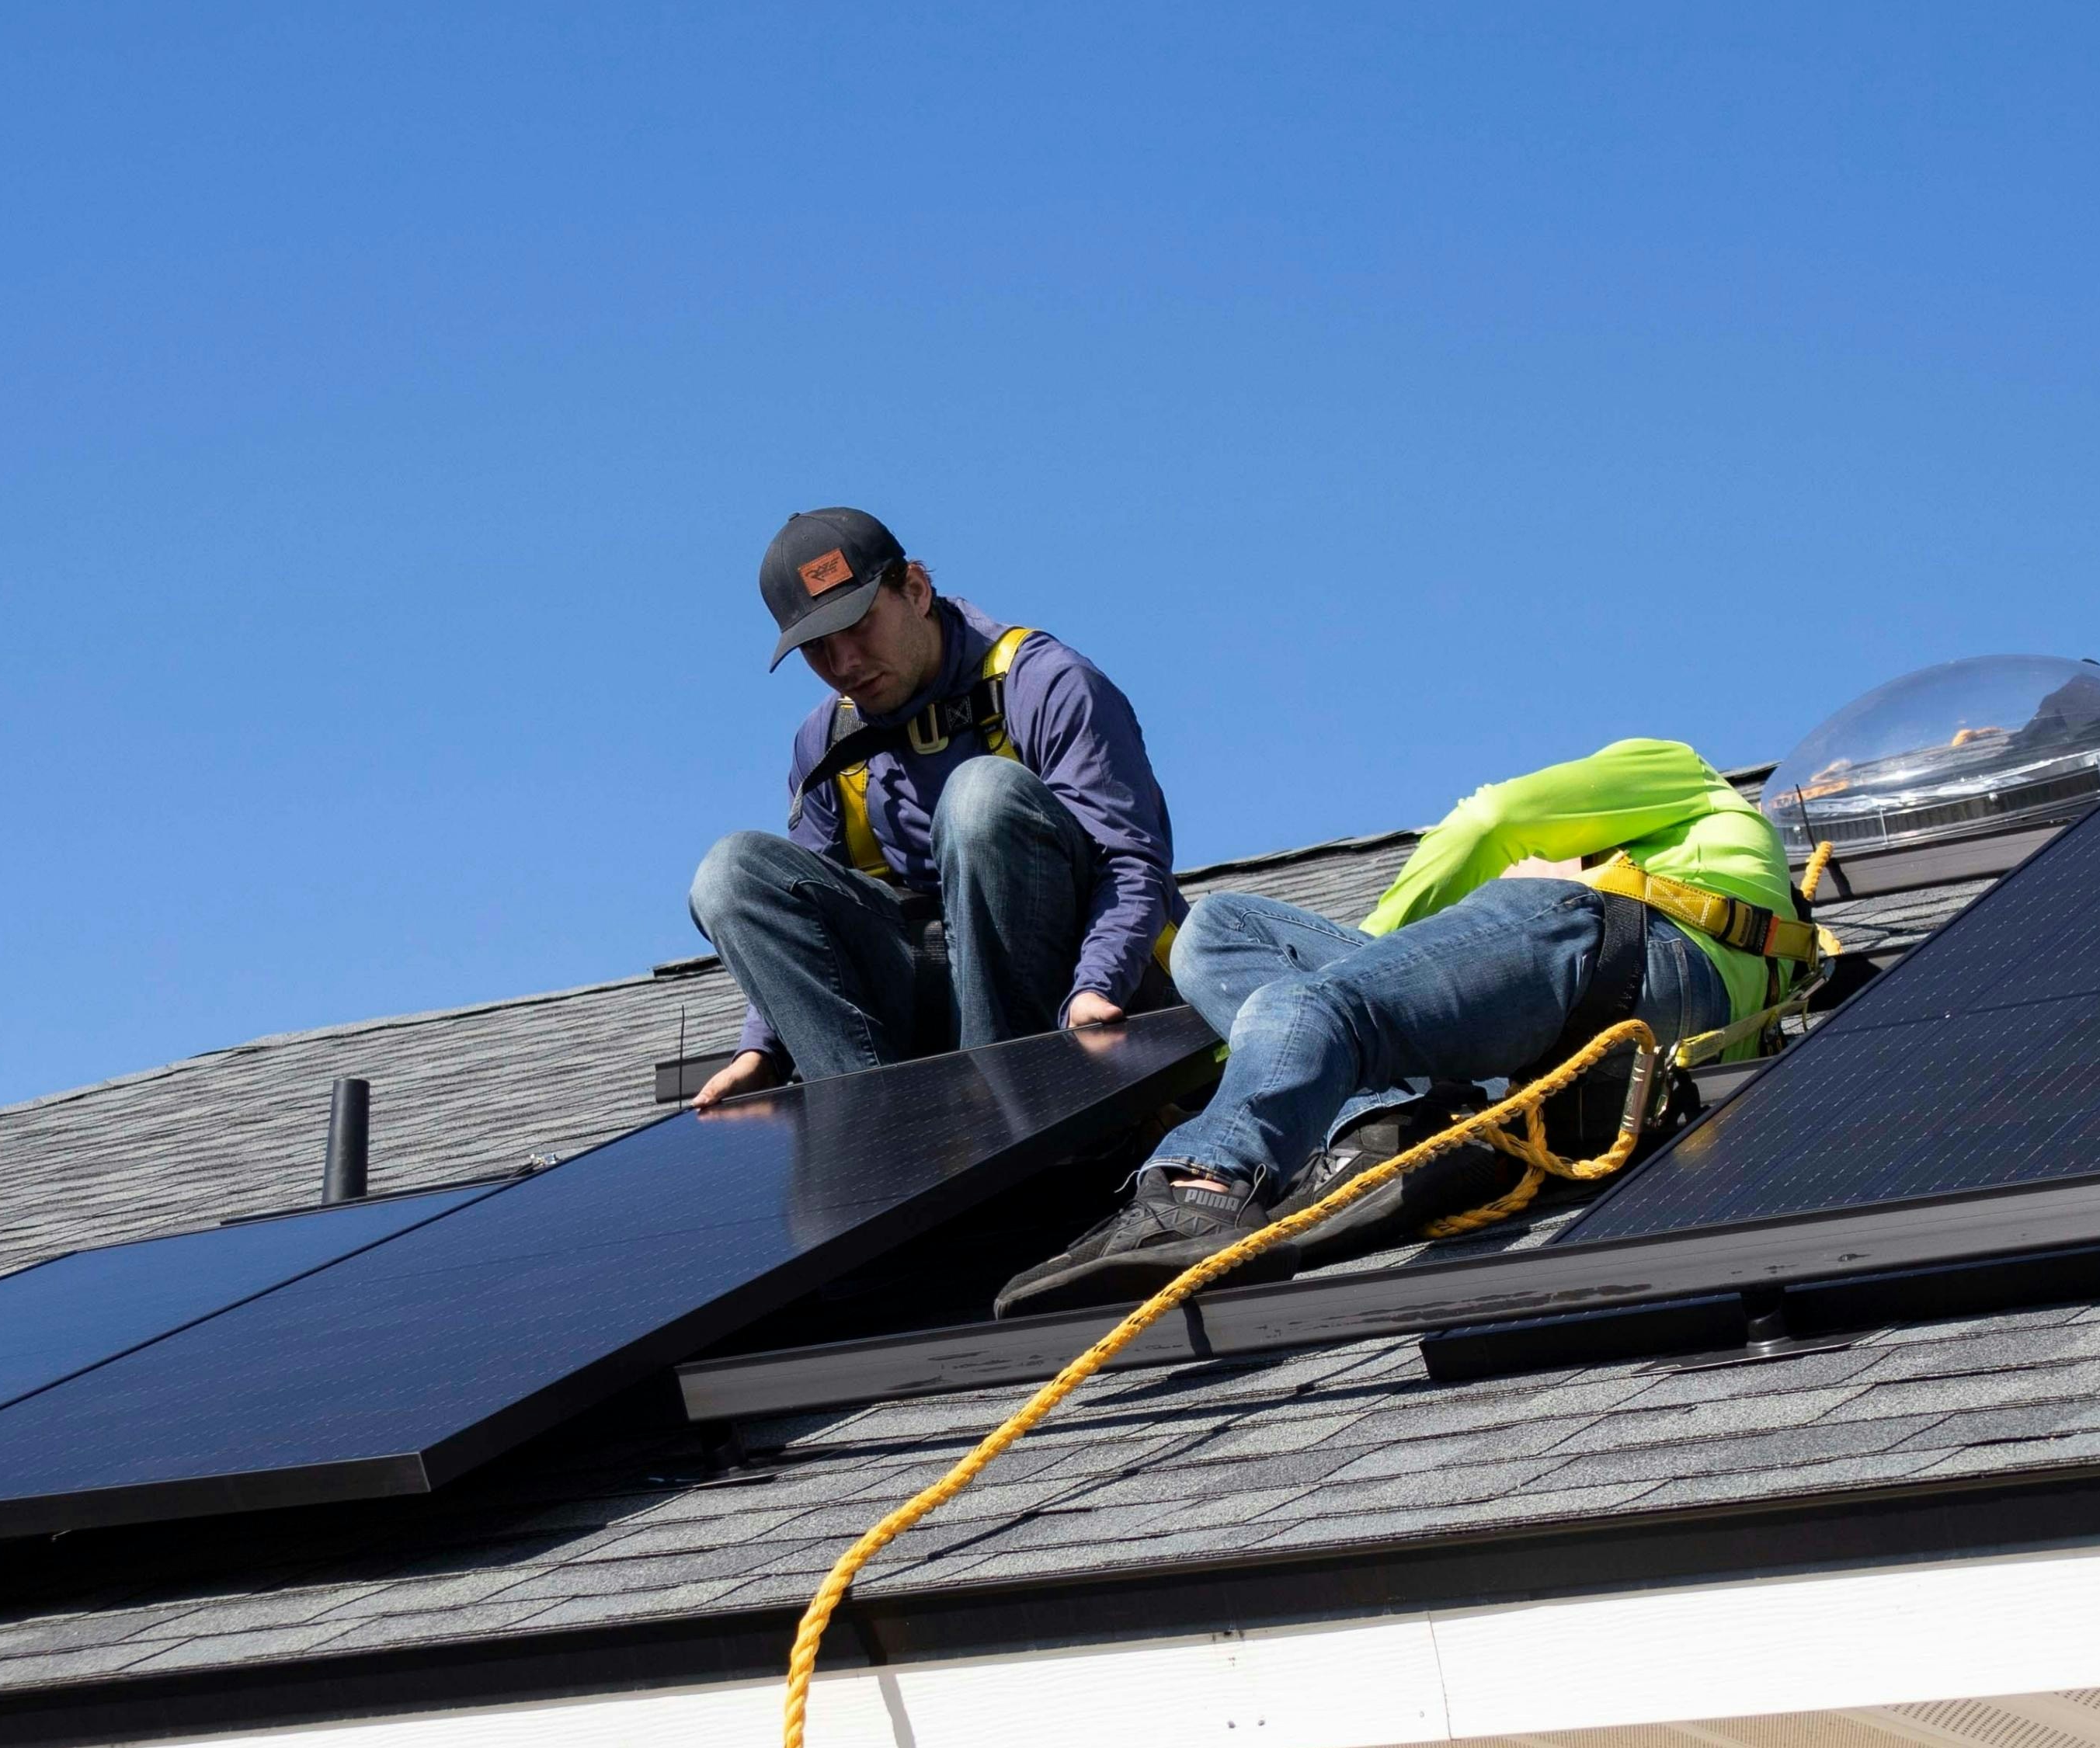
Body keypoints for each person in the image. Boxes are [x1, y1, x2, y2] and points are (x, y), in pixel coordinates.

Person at [994, 737, 1813, 1315]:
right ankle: (1384, 1126)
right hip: (1606, 1013)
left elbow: (1491, 820)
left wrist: (1361, 982)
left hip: (1610, 946)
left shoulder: (1687, 775)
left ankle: (1204, 1186)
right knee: (1216, 929)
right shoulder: (1784, 956)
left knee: (1315, 1006)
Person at [685, 509, 1182, 1108]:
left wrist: (1097, 984)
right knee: (731, 873)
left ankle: (1014, 1120)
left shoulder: (1045, 683)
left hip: (1071, 1001)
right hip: (934, 1002)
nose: (843, 664)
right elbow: (812, 920)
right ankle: (876, 1141)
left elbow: (1130, 864)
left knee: (980, 797)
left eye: (858, 625)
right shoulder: (826, 743)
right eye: (817, 647)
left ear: (915, 590)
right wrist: (761, 1050)